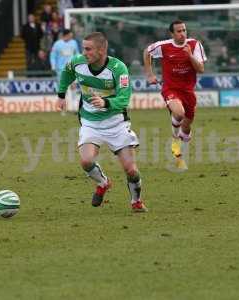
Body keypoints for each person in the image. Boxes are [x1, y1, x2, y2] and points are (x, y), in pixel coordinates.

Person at [55, 32, 147, 212]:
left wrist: (106, 102)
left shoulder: (118, 68)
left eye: (88, 49)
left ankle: (136, 201)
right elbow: (66, 72)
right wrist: (61, 94)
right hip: (90, 122)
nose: (84, 53)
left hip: (117, 124)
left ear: (102, 50)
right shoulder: (78, 62)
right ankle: (103, 183)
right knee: (86, 161)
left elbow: (124, 98)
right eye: (83, 48)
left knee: (131, 171)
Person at [143, 20, 206, 169]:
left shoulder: (195, 45)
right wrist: (149, 74)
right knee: (179, 113)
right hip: (170, 88)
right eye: (178, 31)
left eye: (184, 30)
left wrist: (190, 56)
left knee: (187, 128)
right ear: (172, 34)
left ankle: (180, 148)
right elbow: (147, 52)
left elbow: (201, 69)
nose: (182, 33)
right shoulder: (164, 46)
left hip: (188, 91)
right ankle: (174, 140)